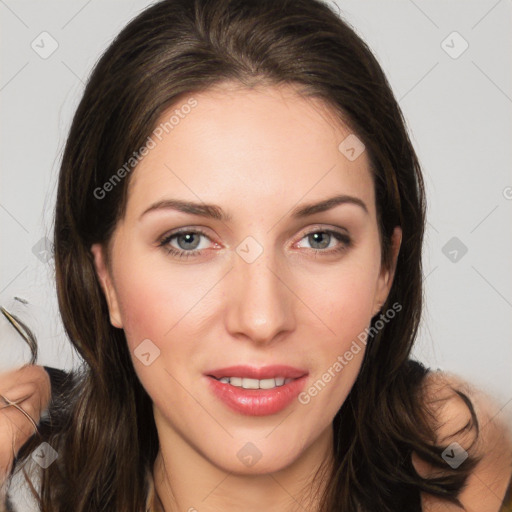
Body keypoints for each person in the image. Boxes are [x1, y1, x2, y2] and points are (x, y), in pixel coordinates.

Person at [1, 0, 511, 510]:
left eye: (320, 238)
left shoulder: (472, 458)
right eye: (188, 240)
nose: (262, 319)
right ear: (105, 276)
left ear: (386, 268)